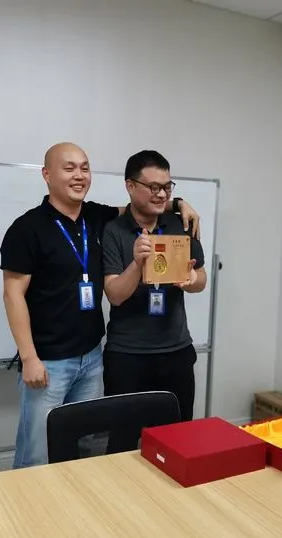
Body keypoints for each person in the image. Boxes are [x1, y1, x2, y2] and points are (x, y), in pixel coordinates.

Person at [0, 142, 201, 468]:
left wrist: (178, 203)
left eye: (84, 167)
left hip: (91, 359)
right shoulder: (27, 228)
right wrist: (29, 358)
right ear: (47, 175)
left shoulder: (95, 217)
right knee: (38, 451)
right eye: (69, 168)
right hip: (49, 362)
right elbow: (12, 295)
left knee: (85, 450)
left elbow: (141, 205)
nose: (79, 175)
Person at [101, 150, 207, 446]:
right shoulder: (113, 231)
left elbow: (202, 279)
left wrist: (191, 280)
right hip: (127, 356)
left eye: (167, 187)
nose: (161, 194)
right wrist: (137, 264)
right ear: (130, 186)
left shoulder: (181, 224)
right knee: (122, 443)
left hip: (176, 352)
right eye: (153, 187)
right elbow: (114, 295)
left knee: (178, 441)